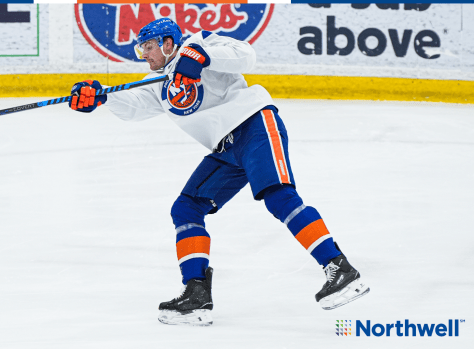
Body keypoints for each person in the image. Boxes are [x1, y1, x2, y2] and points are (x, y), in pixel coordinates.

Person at [69, 18, 369, 326]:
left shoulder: (200, 43)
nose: (143, 54)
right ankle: (196, 293)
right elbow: (133, 107)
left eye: (148, 47)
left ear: (168, 43)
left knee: (278, 197)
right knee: (186, 208)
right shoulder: (161, 86)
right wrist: (103, 96)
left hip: (254, 125)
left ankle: (340, 267)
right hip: (225, 149)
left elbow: (245, 53)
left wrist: (200, 55)